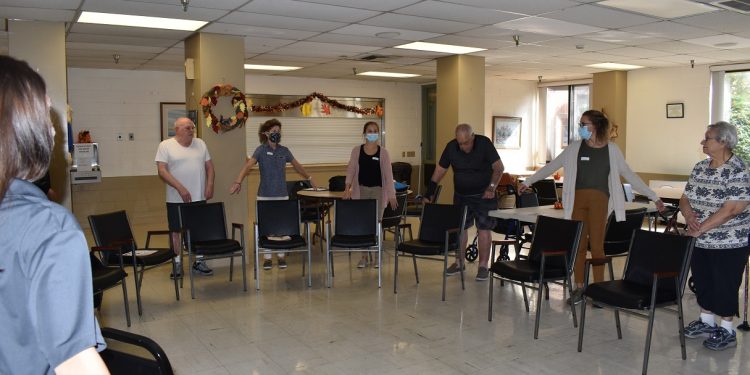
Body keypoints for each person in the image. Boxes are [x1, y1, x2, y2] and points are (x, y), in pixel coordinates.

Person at [0, 55, 110, 374]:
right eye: (47, 117)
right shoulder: (48, 226)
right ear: (24, 129)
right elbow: (74, 361)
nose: (55, 130)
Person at [520, 109, 664, 303]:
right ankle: (579, 287)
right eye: (580, 124)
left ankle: (598, 288)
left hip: (600, 202)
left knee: (597, 246)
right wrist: (528, 182)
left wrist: (653, 196)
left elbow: (630, 175)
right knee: (578, 246)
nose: (580, 128)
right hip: (576, 202)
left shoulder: (612, 150)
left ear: (596, 126)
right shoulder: (575, 148)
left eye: (584, 124)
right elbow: (551, 167)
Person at [680, 121, 750, 351]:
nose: (703, 142)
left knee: (725, 284)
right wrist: (689, 217)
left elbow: (732, 209)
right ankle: (707, 322)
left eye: (707, 138)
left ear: (723, 142)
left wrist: (700, 228)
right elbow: (685, 198)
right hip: (700, 239)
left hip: (729, 241)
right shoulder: (700, 167)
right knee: (703, 281)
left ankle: (727, 329)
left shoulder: (739, 170)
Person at [230, 118, 316, 270]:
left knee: (282, 228)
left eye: (278, 131)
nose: (277, 134)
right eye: (274, 131)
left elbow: (298, 166)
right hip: (264, 195)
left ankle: (281, 256)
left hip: (282, 195)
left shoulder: (284, 151)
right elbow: (248, 166)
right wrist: (238, 181)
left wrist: (309, 178)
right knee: (267, 228)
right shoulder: (261, 150)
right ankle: (267, 258)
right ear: (266, 133)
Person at [425, 123, 505, 281]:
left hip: (484, 195)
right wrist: (429, 193)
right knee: (460, 229)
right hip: (461, 195)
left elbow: (499, 168)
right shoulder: (451, 147)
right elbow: (440, 171)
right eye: (460, 143)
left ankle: (483, 266)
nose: (462, 147)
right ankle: (459, 262)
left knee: (483, 229)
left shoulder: (484, 144)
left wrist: (491, 187)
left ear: (473, 137)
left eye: (466, 142)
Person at [155, 117, 215, 277]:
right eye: (187, 127)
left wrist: (209, 185)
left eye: (192, 127)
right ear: (177, 130)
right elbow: (162, 170)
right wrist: (180, 187)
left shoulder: (200, 143)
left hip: (199, 196)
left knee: (200, 230)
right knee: (176, 232)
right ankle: (177, 264)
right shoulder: (165, 145)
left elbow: (209, 167)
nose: (191, 130)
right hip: (176, 199)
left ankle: (199, 262)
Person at [342, 121, 398, 268]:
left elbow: (388, 174)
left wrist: (392, 195)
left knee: (377, 224)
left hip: (378, 192)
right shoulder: (356, 150)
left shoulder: (383, 152)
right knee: (363, 225)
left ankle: (377, 256)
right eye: (369, 130)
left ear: (378, 134)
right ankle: (364, 257)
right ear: (364, 134)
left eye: (375, 131)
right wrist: (347, 188)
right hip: (361, 191)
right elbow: (351, 169)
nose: (372, 133)